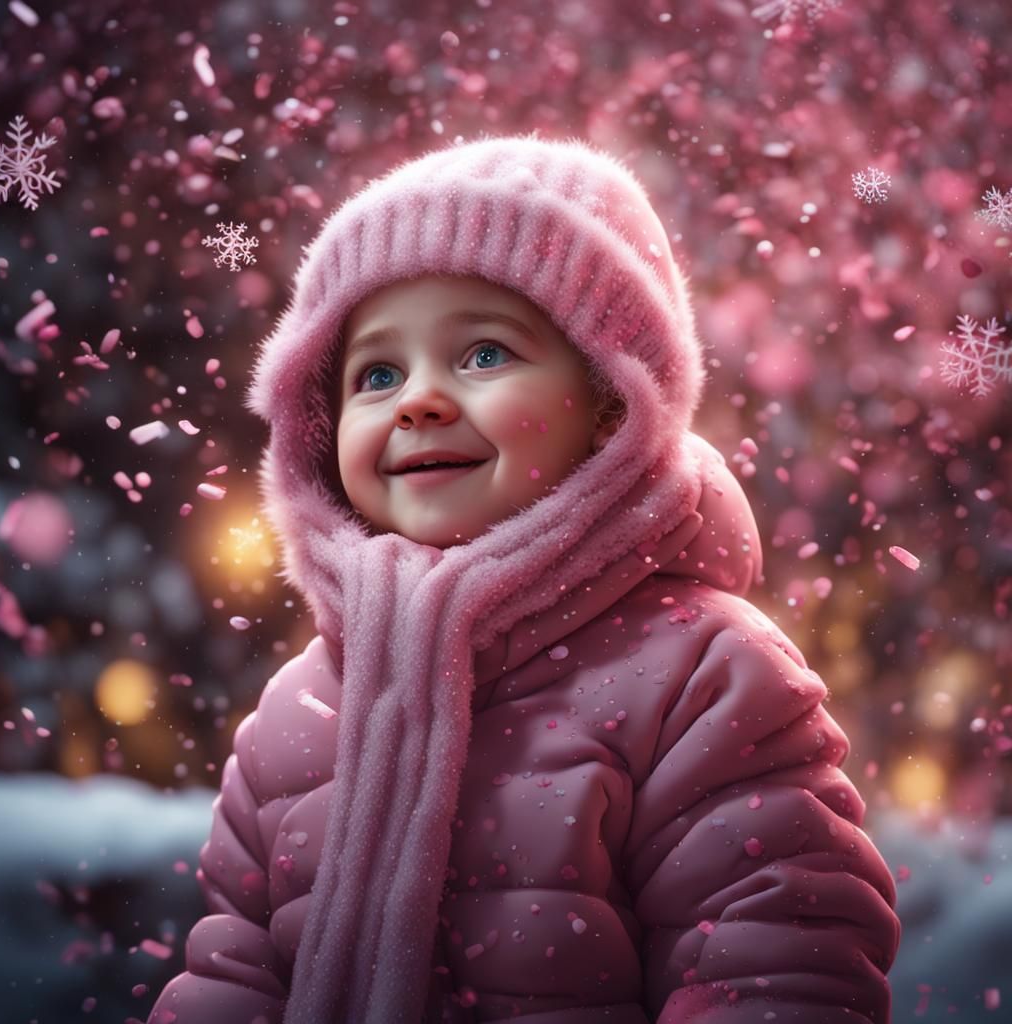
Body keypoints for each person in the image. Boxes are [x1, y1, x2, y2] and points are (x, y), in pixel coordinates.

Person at [147, 132, 900, 1024]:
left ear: (613, 407)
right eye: (377, 372)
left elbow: (778, 960)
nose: (419, 400)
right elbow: (234, 972)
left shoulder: (706, 679)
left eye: (484, 354)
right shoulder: (296, 714)